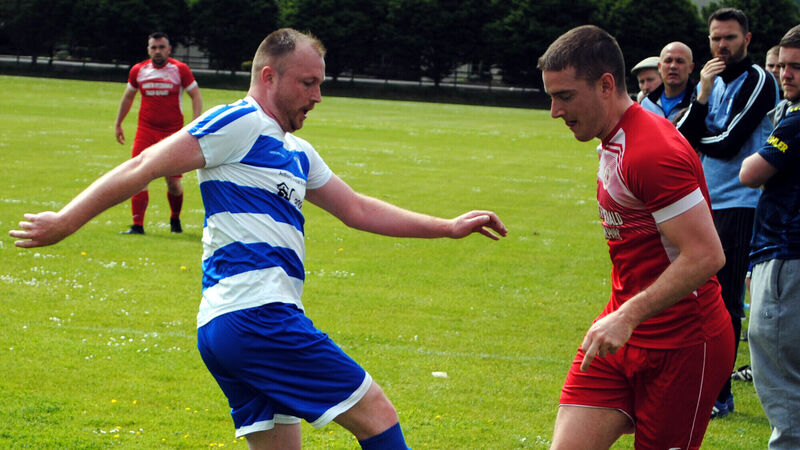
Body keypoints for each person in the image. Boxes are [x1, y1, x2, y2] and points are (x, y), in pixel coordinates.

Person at [9, 28, 508, 449]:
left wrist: (446, 226)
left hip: (232, 327)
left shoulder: (298, 151)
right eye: (308, 83)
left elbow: (355, 209)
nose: (318, 96)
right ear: (269, 77)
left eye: (320, 84)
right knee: (378, 414)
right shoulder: (240, 121)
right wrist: (66, 220)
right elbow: (145, 164)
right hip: (257, 317)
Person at [538, 25, 733, 450]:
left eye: (565, 96)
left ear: (606, 85)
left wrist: (627, 315)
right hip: (621, 334)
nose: (554, 111)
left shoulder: (653, 152)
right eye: (551, 96)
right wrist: (623, 316)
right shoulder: (612, 139)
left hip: (684, 343)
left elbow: (705, 256)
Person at [675, 7, 779, 419]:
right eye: (716, 38)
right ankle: (700, 384)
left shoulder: (758, 81)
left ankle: (719, 394)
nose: (722, 45)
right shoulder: (710, 81)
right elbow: (684, 138)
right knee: (695, 295)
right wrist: (701, 95)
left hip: (740, 203)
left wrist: (701, 132)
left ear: (747, 40)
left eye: (730, 38)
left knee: (726, 300)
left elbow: (728, 143)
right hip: (705, 202)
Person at [740, 24, 800, 449]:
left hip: (785, 253)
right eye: (782, 66)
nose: (786, 74)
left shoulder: (795, 121)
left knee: (780, 371)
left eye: (797, 67)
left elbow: (750, 172)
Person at [115, 31, 203, 235]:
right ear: (148, 49)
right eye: (153, 47)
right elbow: (128, 97)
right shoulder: (139, 70)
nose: (157, 51)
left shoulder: (180, 70)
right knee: (138, 176)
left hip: (173, 133)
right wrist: (118, 123)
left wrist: (195, 124)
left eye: (162, 47)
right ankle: (137, 225)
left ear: (169, 49)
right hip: (146, 131)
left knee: (173, 182)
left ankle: (175, 220)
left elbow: (195, 96)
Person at [641, 42, 697, 121]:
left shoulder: (698, 102)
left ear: (690, 67)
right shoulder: (647, 104)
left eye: (680, 61)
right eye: (668, 61)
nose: (673, 66)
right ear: (659, 67)